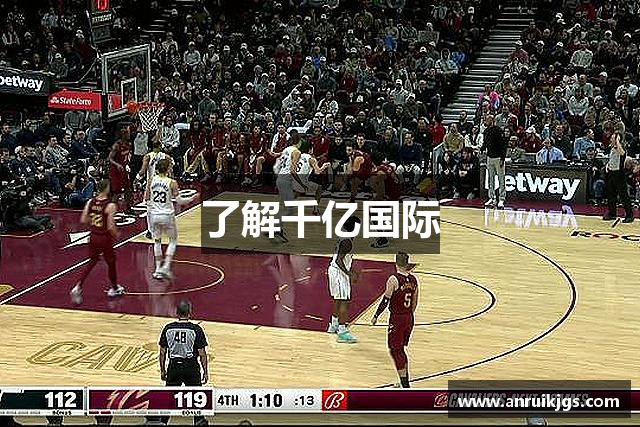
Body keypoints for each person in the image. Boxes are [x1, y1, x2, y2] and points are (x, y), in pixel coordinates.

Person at [70, 179, 125, 304]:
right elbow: (110, 226)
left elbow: (83, 219)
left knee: (92, 262)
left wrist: (94, 225)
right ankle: (115, 288)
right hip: (104, 238)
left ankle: (78, 287)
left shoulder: (90, 201)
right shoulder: (110, 205)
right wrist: (116, 234)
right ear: (107, 188)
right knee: (111, 263)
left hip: (93, 236)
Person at [371, 252, 419, 388]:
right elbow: (415, 302)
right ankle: (404, 381)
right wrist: (408, 316)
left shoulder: (393, 279)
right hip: (409, 317)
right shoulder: (414, 280)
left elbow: (385, 300)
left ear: (396, 263)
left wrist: (376, 315)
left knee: (395, 350)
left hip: (397, 318)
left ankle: (405, 385)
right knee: (401, 349)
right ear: (407, 263)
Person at [158, 300, 209, 426]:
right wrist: (205, 372)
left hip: (174, 367)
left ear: (176, 312)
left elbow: (162, 352)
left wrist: (163, 370)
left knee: (168, 400)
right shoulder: (196, 329)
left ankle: (162, 423)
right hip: (191, 367)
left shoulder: (168, 328)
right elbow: (202, 354)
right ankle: (199, 422)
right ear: (190, 312)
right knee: (197, 399)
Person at [146, 158, 195, 279]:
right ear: (168, 168)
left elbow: (147, 199)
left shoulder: (151, 180)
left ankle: (157, 269)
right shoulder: (172, 182)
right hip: (167, 214)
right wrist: (192, 199)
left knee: (157, 241)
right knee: (173, 240)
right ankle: (166, 267)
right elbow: (180, 201)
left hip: (154, 215)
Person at [327, 216, 361, 344]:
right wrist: (349, 273)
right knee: (344, 301)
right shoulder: (347, 241)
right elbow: (338, 260)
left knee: (338, 299)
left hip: (335, 271)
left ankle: (333, 325)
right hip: (338, 272)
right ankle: (342, 331)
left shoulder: (344, 237)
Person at [136, 141, 173, 239]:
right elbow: (171, 170)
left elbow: (142, 171)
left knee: (150, 209)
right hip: (164, 184)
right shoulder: (166, 156)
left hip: (152, 184)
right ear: (160, 146)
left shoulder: (148, 156)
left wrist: (136, 179)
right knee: (164, 206)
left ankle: (150, 231)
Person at [273, 131, 304, 242]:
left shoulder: (286, 150)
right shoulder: (296, 152)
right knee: (289, 209)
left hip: (280, 178)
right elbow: (292, 170)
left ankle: (277, 227)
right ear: (299, 142)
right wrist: (301, 183)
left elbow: (277, 166)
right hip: (285, 180)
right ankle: (275, 228)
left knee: (287, 207)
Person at [292, 139, 329, 215]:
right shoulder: (311, 159)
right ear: (310, 149)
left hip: (292, 181)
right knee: (319, 188)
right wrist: (324, 166)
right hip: (301, 183)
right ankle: (315, 209)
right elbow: (317, 172)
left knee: (298, 191)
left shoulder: (299, 155)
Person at [603, 132, 633, 223]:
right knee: (611, 195)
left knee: (623, 195)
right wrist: (608, 166)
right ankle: (612, 214)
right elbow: (611, 159)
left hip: (619, 174)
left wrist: (618, 141)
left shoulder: (622, 148)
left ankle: (629, 215)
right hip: (611, 174)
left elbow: (622, 154)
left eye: (613, 138)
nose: (611, 140)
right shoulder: (612, 148)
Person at [482, 114, 506, 208]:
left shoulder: (498, 130)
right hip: (489, 157)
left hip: (498, 157)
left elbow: (503, 145)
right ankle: (492, 198)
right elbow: (485, 143)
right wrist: (482, 149)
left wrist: (502, 158)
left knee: (501, 179)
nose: (485, 121)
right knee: (490, 179)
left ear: (492, 120)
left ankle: (501, 199)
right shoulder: (486, 131)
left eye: (487, 120)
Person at [108, 128, 133, 213]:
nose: (129, 135)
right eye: (127, 133)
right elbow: (110, 158)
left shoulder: (129, 144)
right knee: (117, 192)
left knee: (128, 189)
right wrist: (117, 164)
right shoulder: (117, 145)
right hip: (115, 170)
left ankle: (128, 208)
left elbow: (127, 156)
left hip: (123, 169)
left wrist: (127, 164)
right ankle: (111, 210)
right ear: (123, 135)